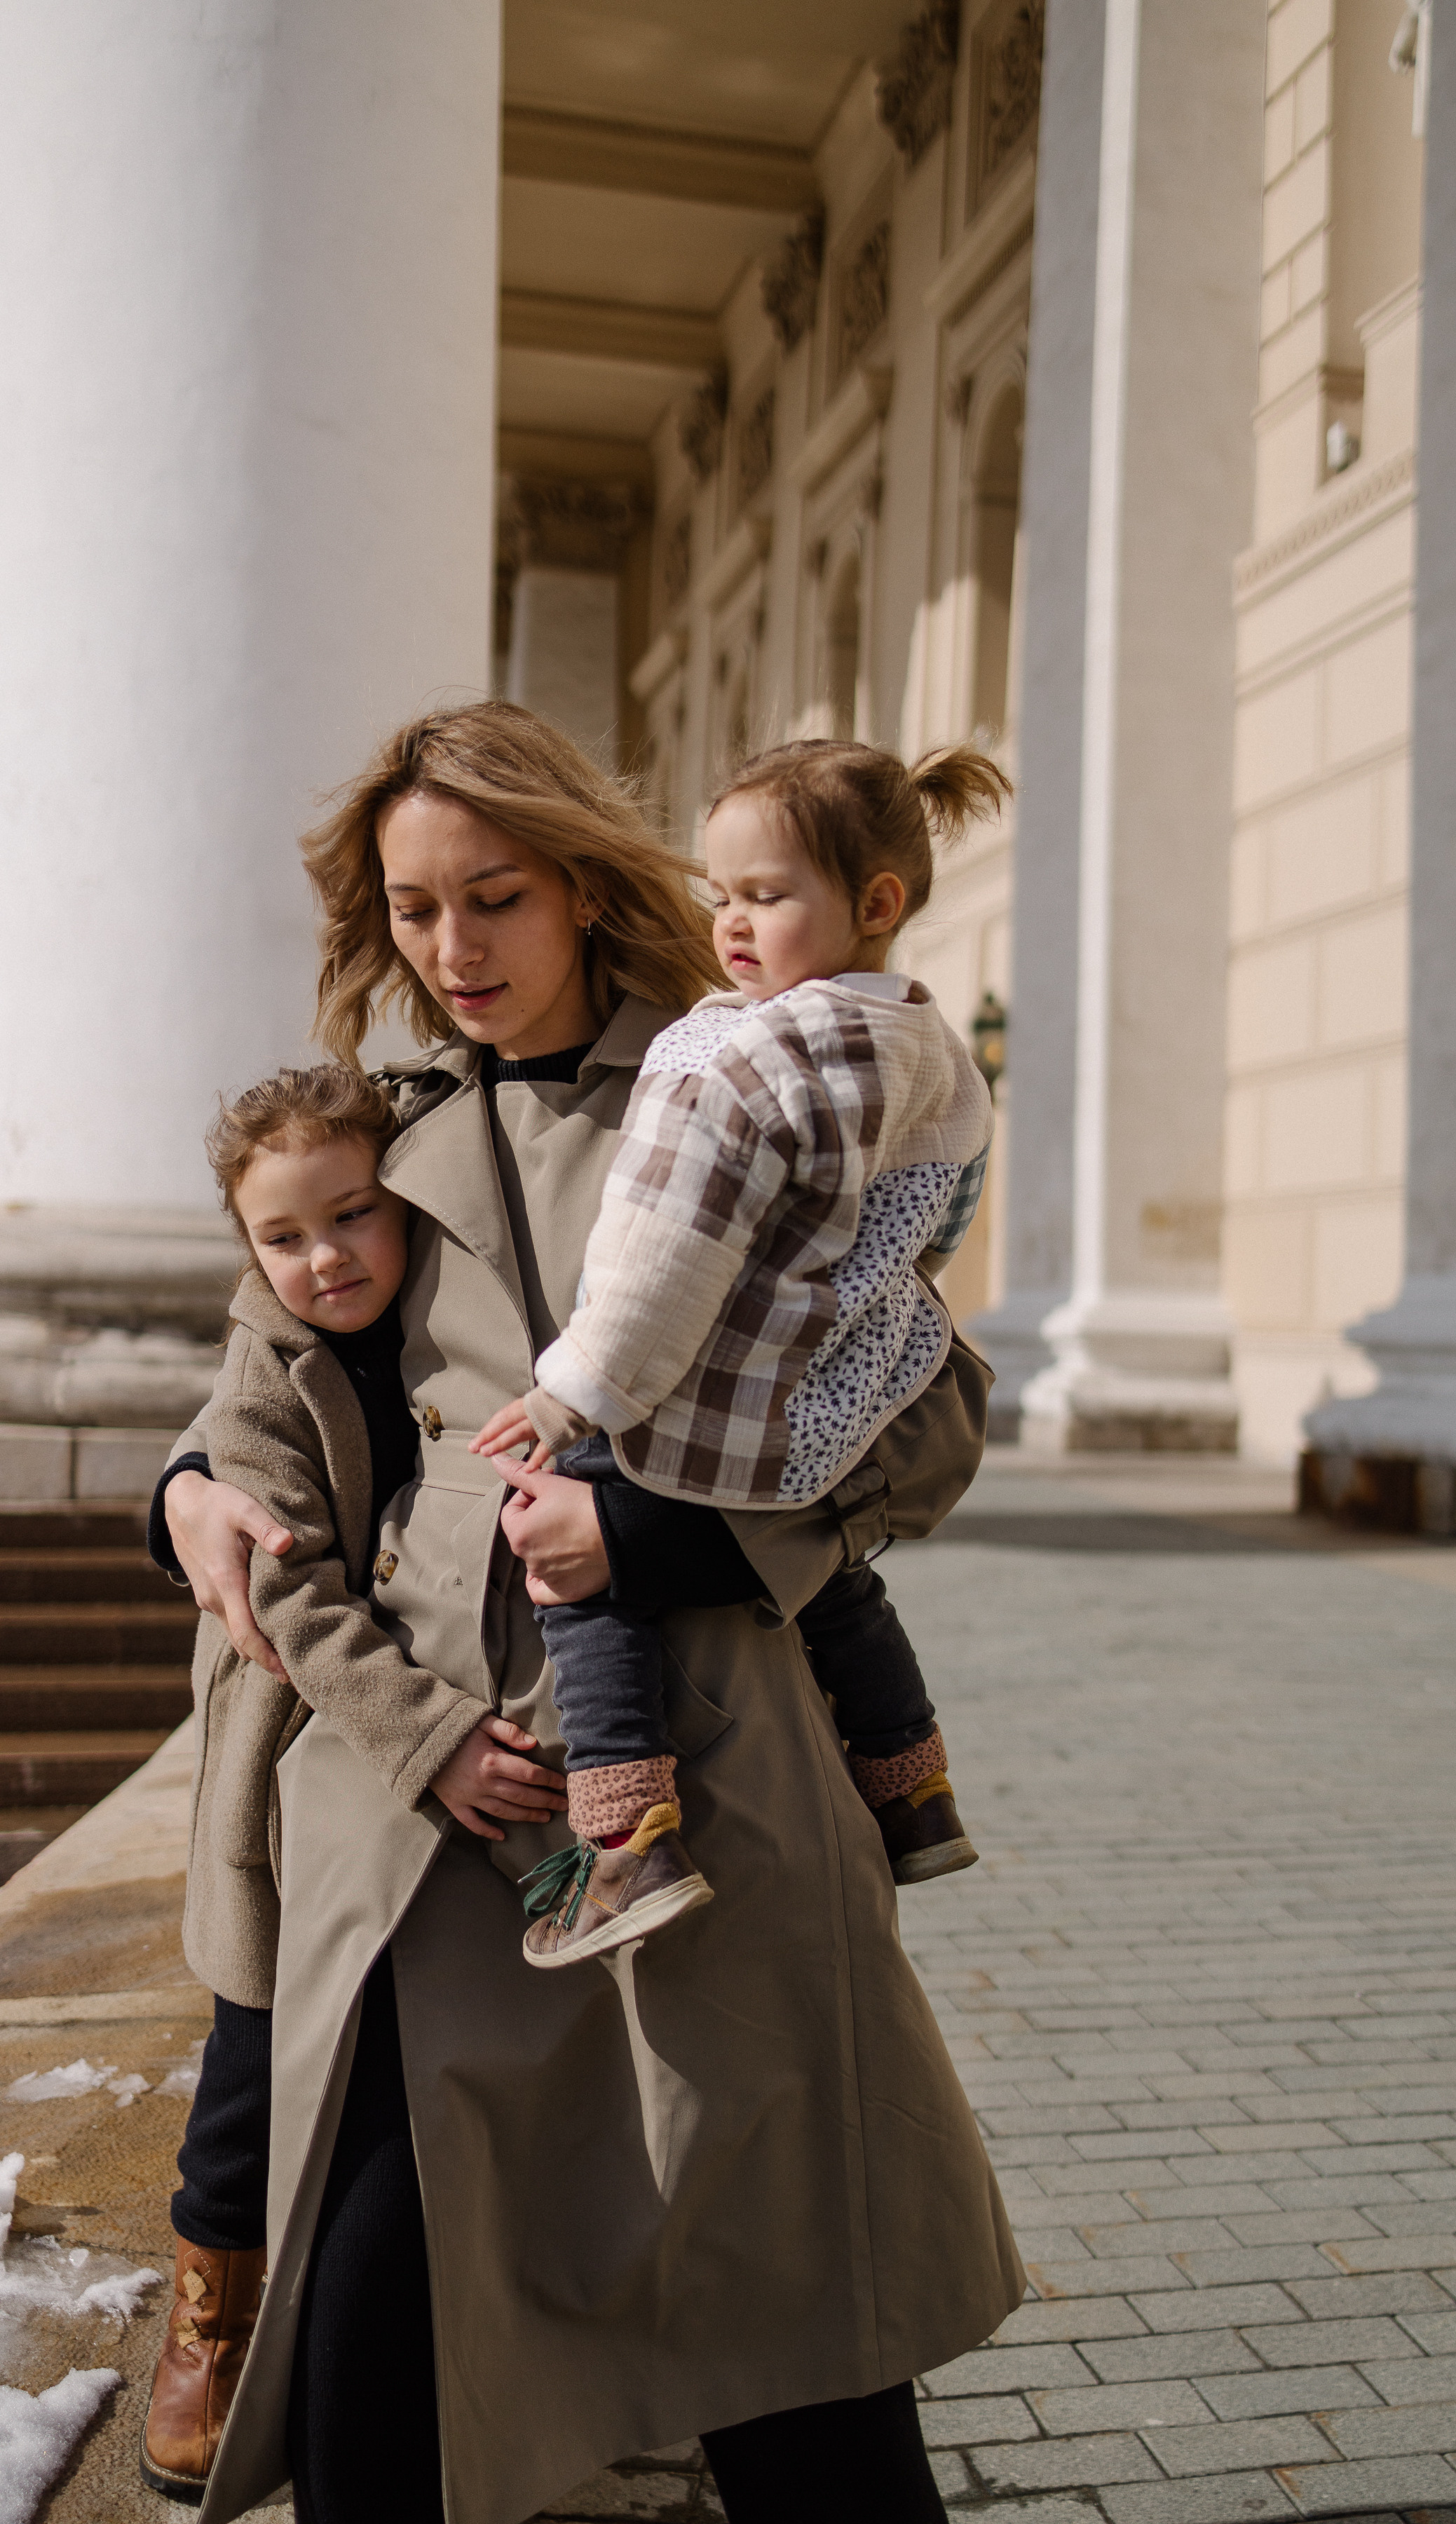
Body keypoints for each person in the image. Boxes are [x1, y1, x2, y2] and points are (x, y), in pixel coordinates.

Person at [154, 703, 1021, 2524]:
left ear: (577, 883)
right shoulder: (374, 1150)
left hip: (714, 1779)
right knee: (381, 2314)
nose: (454, 952)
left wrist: (684, 1553)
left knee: (790, 2325)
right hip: (436, 1817)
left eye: (495, 898)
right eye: (411, 912)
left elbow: (933, 1415)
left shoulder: (754, 1082)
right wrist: (186, 1495)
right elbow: (256, 1409)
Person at [474, 738, 1005, 1970]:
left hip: (705, 1401)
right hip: (830, 1400)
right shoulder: (929, 1048)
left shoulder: (743, 1060)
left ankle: (627, 1837)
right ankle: (914, 1788)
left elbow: (665, 1262)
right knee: (838, 1589)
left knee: (581, 1577)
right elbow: (949, 1215)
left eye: (764, 896)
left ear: (876, 903)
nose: (731, 926)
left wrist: (571, 1395)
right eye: (721, 895)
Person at [143, 1063, 505, 2497]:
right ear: (248, 1249)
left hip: (425, 1742)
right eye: (284, 1238)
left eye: (355, 1216)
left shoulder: (453, 1321)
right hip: (293, 1762)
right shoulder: (261, 1371)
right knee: (248, 2057)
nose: (324, 1259)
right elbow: (292, 1608)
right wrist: (429, 1740)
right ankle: (210, 2315)